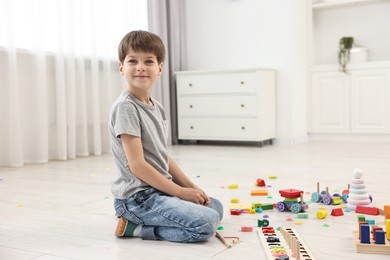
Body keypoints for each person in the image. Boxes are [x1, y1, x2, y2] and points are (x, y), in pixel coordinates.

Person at [109, 30, 223, 242]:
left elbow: (163, 157)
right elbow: (137, 166)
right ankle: (135, 227)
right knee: (205, 225)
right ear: (121, 67)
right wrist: (180, 192)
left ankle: (147, 218)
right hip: (138, 198)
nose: (141, 67)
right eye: (133, 61)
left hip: (159, 189)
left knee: (215, 207)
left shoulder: (157, 107)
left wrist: (191, 188)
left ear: (159, 68)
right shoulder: (126, 107)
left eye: (148, 61)